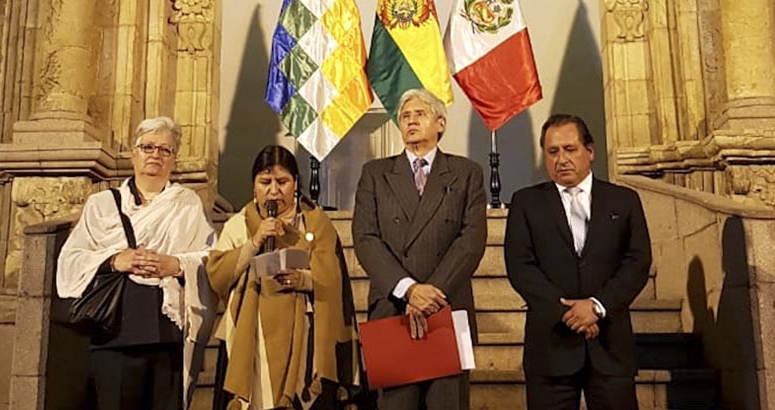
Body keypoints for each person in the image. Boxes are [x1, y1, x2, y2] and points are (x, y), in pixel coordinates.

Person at [57, 116, 218, 409]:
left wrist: (177, 264)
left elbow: (211, 257)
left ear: (173, 159)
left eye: (165, 150)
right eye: (148, 147)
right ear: (134, 154)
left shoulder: (187, 204)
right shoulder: (102, 205)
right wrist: (115, 260)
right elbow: (72, 260)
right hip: (115, 332)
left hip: (168, 334)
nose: (156, 155)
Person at [351, 88, 487, 410]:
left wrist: (430, 294)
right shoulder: (375, 174)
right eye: (405, 116)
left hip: (446, 309)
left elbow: (471, 241)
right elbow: (365, 238)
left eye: (420, 114)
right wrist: (409, 290)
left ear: (440, 123)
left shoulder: (466, 173)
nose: (410, 121)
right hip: (393, 309)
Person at [504, 114, 652, 409]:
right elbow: (520, 267)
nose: (561, 159)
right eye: (552, 152)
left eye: (570, 149)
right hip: (550, 348)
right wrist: (570, 314)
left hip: (610, 346)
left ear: (590, 151)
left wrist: (596, 307)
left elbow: (637, 261)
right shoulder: (526, 202)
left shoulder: (624, 200)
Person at [206, 145, 363, 410]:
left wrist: (304, 280)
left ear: (296, 184)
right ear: (254, 186)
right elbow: (217, 275)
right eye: (265, 182)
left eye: (282, 182)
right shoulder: (239, 223)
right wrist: (255, 241)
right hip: (251, 332)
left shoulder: (316, 223)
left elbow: (334, 280)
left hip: (305, 332)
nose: (273, 191)